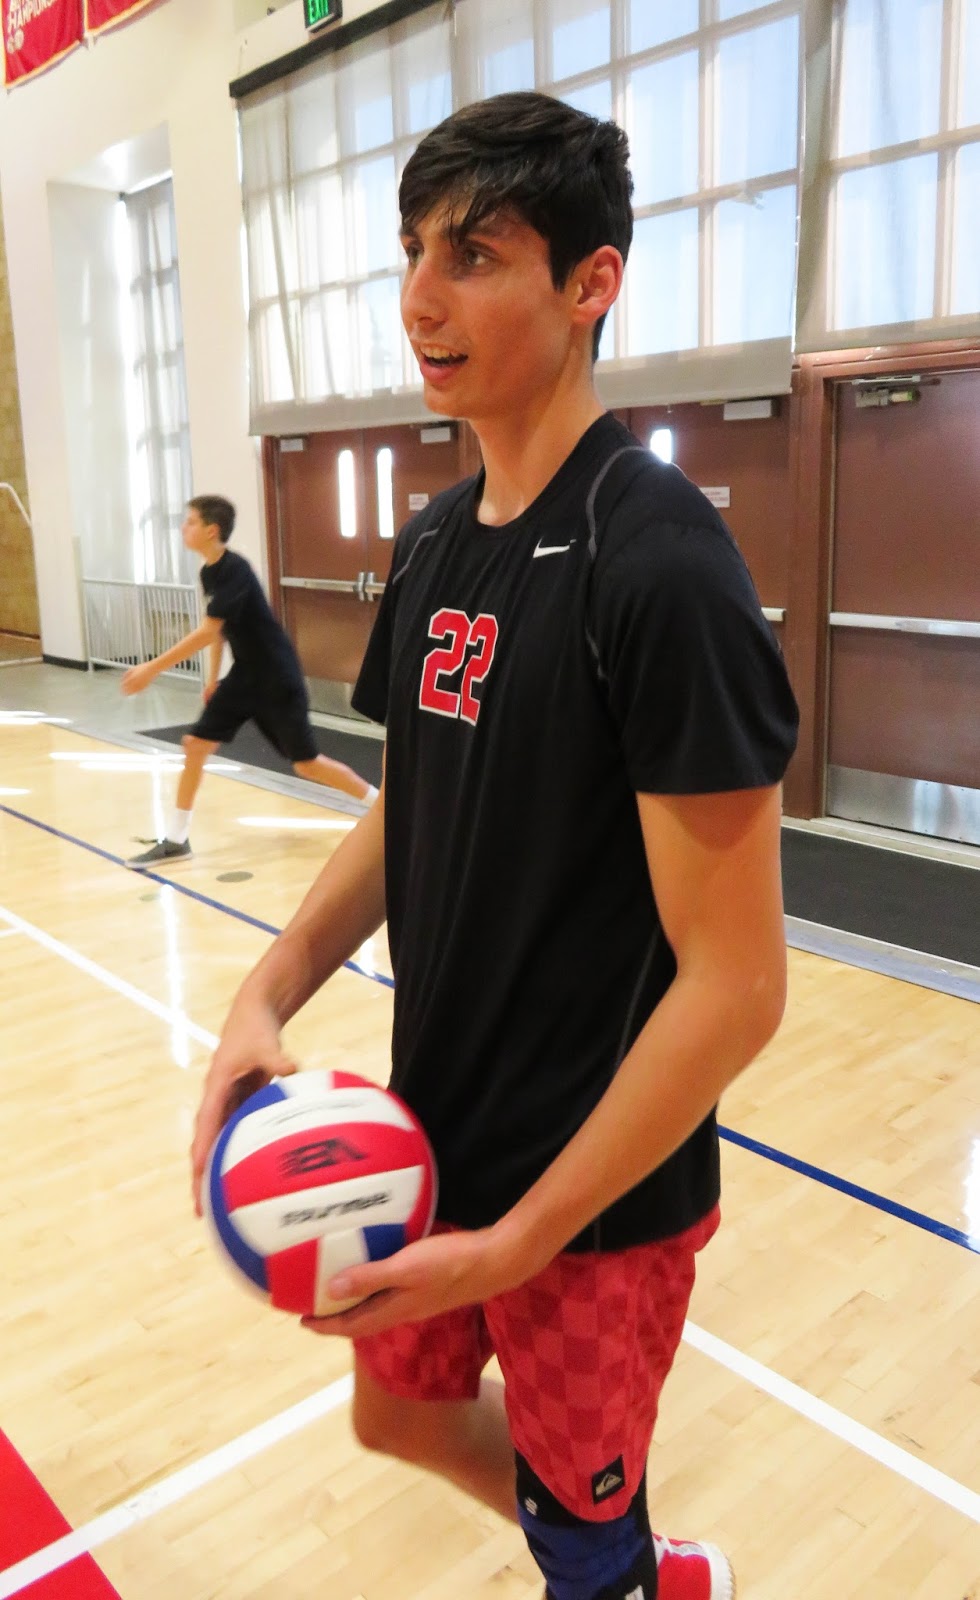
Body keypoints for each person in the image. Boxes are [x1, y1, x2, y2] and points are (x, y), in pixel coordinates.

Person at [191, 92, 799, 1600]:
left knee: (583, 1545)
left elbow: (738, 987)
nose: (420, 298)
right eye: (414, 251)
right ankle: (636, 1550)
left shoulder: (661, 565)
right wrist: (268, 988)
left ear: (591, 282)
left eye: (472, 255)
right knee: (395, 1414)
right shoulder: (436, 541)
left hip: (593, 1200)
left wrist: (524, 1237)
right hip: (427, 1136)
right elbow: (410, 806)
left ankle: (631, 1565)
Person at [120, 495, 377, 864]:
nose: (183, 527)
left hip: (276, 677)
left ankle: (383, 808)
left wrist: (151, 667)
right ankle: (177, 839)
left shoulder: (236, 570)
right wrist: (212, 680)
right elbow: (219, 630)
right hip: (245, 676)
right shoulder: (209, 572)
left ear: (211, 530)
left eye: (190, 522)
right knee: (195, 745)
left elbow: (209, 630)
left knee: (307, 764)